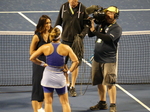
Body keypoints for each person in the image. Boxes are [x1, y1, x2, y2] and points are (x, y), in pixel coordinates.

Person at [29, 25, 79, 112]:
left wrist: (42, 64)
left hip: (48, 77)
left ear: (51, 36)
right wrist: (68, 72)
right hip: (60, 78)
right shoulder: (66, 48)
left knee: (48, 102)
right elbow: (76, 61)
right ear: (60, 36)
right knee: (65, 102)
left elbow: (32, 58)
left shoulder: (45, 47)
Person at [88, 6, 122, 112]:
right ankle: (102, 103)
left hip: (109, 60)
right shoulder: (102, 24)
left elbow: (108, 38)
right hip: (97, 59)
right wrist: (92, 25)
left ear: (115, 15)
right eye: (107, 12)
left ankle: (112, 105)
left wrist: (95, 31)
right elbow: (90, 35)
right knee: (99, 82)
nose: (107, 14)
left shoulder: (116, 28)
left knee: (110, 83)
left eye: (111, 13)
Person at [55, 0, 89, 97]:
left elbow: (86, 26)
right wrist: (55, 35)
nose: (72, 2)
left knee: (75, 63)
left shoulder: (83, 9)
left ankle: (73, 86)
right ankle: (67, 82)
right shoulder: (64, 7)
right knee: (63, 63)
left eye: (74, 0)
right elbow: (58, 23)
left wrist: (81, 36)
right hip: (65, 40)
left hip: (76, 42)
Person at [29, 15, 53, 112]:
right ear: (42, 24)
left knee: (46, 87)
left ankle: (40, 108)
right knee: (37, 88)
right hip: (39, 64)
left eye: (49, 22)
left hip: (49, 64)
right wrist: (42, 52)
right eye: (46, 23)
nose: (49, 25)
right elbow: (31, 52)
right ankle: (36, 110)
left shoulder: (52, 35)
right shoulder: (37, 36)